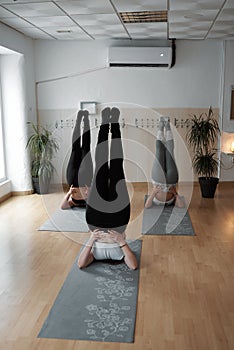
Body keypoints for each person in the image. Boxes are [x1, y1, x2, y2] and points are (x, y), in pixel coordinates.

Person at [78, 107, 138, 270]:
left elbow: (81, 264)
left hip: (95, 222)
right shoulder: (120, 255)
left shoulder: (94, 256)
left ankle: (105, 124)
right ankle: (115, 124)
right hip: (118, 222)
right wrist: (121, 241)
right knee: (117, 165)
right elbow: (133, 266)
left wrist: (91, 240)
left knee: (101, 167)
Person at [145, 117, 185, 209]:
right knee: (169, 151)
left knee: (159, 151)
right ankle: (167, 125)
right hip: (171, 181)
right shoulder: (172, 201)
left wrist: (154, 192)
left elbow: (147, 206)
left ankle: (160, 126)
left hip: (158, 181)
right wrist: (175, 193)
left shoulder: (155, 201)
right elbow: (181, 205)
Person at [61, 110, 93, 209]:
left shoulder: (73, 204)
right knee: (85, 149)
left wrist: (69, 193)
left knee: (76, 149)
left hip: (74, 181)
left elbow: (62, 207)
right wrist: (90, 191)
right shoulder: (90, 204)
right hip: (85, 181)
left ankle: (80, 120)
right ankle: (85, 120)